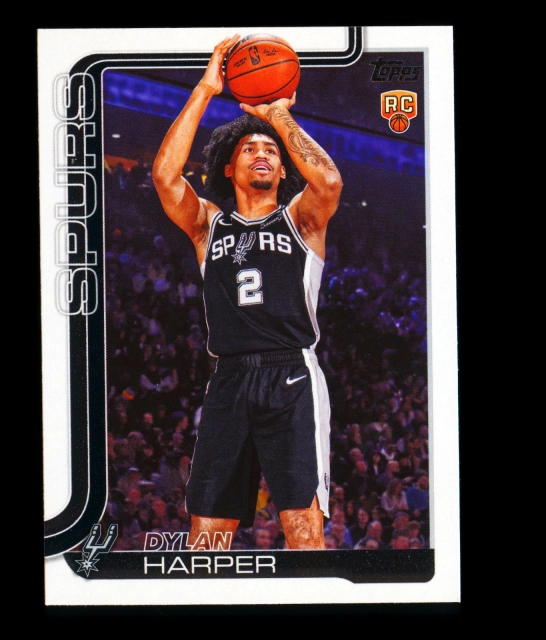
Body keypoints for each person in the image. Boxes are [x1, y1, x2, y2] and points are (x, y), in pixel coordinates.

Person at [152, 35, 343, 549]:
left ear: (282, 170)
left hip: (291, 375)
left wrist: (277, 114)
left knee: (301, 525)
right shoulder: (208, 225)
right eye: (249, 149)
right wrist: (205, 89)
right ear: (228, 168)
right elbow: (166, 177)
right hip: (230, 378)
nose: (262, 153)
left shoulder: (301, 219)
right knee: (207, 535)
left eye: (271, 151)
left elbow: (328, 182)